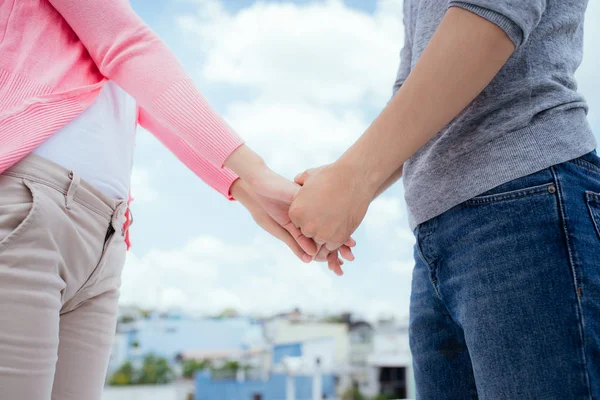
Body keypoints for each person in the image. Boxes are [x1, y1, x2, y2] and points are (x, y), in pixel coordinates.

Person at [0, 1, 354, 399]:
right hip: (28, 211)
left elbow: (149, 102)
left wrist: (253, 195)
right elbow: (127, 45)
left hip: (104, 240)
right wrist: (258, 174)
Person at [290, 0, 599, 398]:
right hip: (438, 232)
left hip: (524, 199)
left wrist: (352, 179)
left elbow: (493, 9)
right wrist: (346, 186)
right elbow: (411, 83)